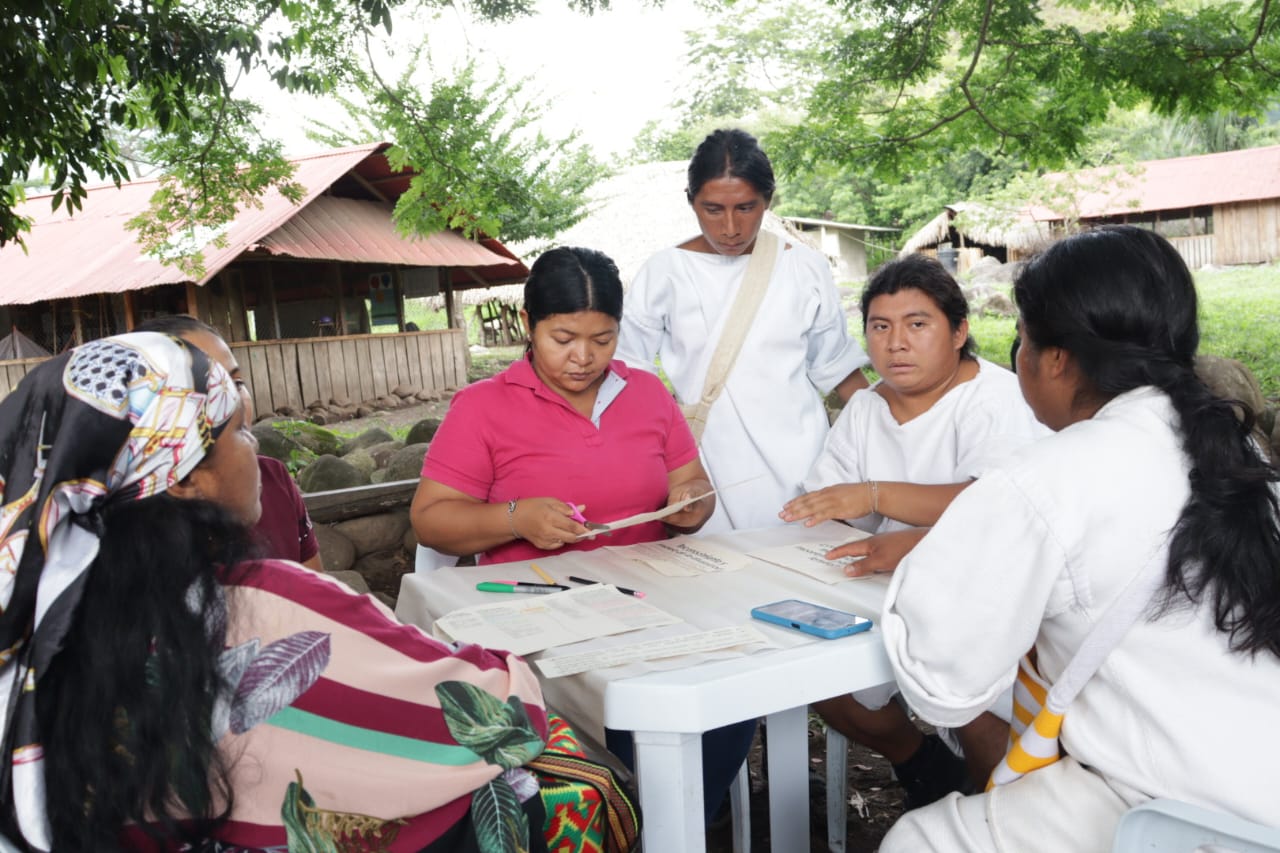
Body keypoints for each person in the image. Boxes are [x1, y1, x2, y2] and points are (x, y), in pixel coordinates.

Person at [0, 332, 550, 851]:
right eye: (239, 429)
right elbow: (503, 719)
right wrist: (515, 669)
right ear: (186, 475)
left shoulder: (31, 649)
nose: (256, 445)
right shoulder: (263, 607)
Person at [877, 225, 1280, 851]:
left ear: (1056, 358)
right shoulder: (1235, 444)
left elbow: (943, 684)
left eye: (1022, 339)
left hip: (1183, 805)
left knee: (918, 840)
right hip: (1257, 775)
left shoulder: (1048, 478)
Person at [412, 246, 752, 826]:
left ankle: (668, 823)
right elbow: (431, 519)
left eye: (603, 339)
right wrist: (514, 519)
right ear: (528, 324)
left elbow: (693, 485)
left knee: (731, 695)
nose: (583, 357)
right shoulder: (483, 407)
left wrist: (688, 506)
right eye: (563, 337)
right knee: (619, 713)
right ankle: (640, 820)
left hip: (655, 601)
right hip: (542, 616)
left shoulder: (646, 393)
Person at [779, 254, 1046, 807]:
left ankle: (1002, 810)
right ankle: (923, 764)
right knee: (807, 665)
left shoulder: (996, 398)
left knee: (968, 683)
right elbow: (835, 511)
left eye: (917, 324)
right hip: (881, 581)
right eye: (880, 327)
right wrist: (823, 512)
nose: (895, 343)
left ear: (959, 331)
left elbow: (996, 507)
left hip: (981, 587)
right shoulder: (866, 408)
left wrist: (876, 496)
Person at [617, 128, 870, 532]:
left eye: (747, 208)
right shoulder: (664, 273)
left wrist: (900, 432)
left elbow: (838, 369)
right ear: (691, 202)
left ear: (768, 201)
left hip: (803, 466)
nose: (730, 227)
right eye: (713, 209)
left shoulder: (804, 268)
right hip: (705, 470)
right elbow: (627, 375)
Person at [134, 314, 323, 569]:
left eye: (237, 382)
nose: (232, 400)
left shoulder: (274, 477)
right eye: (206, 389)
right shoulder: (137, 529)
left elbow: (314, 589)